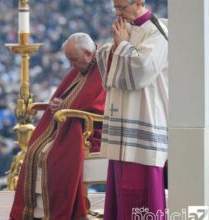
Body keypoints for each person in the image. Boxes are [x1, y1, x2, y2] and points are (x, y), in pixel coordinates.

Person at [10, 33, 106, 220]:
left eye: (73, 60)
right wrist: (57, 105)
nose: (71, 65)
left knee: (54, 155)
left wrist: (66, 107)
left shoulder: (103, 65)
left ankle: (55, 212)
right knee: (34, 150)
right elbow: (68, 97)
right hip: (67, 123)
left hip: (91, 131)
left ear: (88, 54)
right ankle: (34, 212)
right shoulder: (82, 65)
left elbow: (100, 105)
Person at [96, 0, 168, 219]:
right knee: (120, 183)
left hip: (145, 117)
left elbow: (142, 70)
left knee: (142, 188)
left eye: (122, 8)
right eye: (115, 8)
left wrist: (123, 47)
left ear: (138, 2)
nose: (118, 13)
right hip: (123, 119)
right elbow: (109, 59)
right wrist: (114, 49)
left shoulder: (158, 31)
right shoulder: (126, 28)